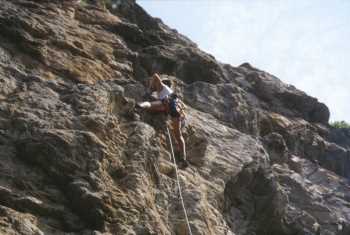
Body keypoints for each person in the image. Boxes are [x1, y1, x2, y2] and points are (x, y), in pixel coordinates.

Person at [137, 73, 188, 168]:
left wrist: (149, 90)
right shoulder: (171, 93)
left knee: (150, 104)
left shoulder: (163, 88)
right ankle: (183, 158)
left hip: (167, 103)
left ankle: (139, 106)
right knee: (178, 135)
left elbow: (155, 76)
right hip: (177, 111)